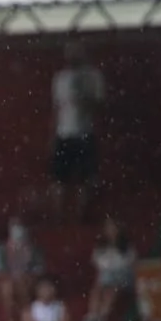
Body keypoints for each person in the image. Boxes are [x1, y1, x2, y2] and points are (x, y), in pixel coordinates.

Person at [51, 42, 105, 222]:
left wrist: (84, 98)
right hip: (63, 133)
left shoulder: (92, 76)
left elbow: (99, 104)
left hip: (84, 132)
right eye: (70, 53)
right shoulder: (60, 78)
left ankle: (81, 214)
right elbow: (56, 107)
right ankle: (58, 215)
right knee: (59, 178)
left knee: (85, 177)